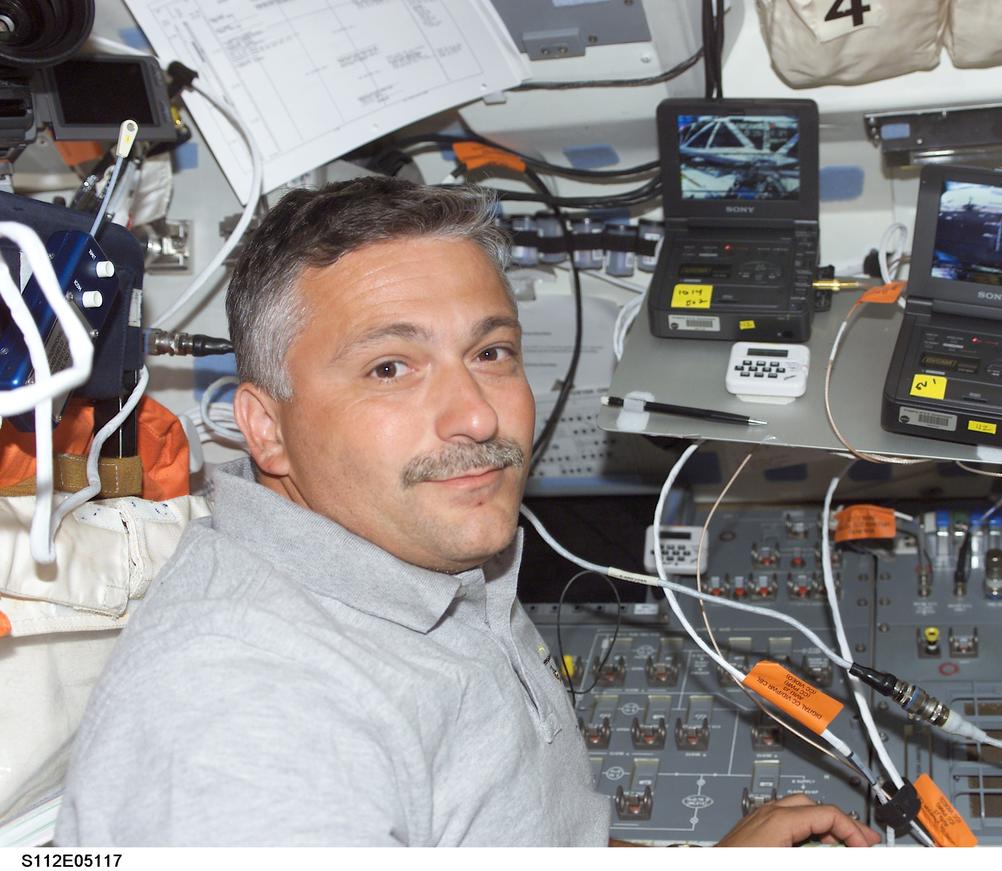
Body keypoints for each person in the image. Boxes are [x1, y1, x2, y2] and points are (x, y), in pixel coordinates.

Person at [56, 177, 879, 848]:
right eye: (391, 367)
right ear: (265, 427)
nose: (478, 417)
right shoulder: (247, 731)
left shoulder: (425, 544)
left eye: (491, 353)